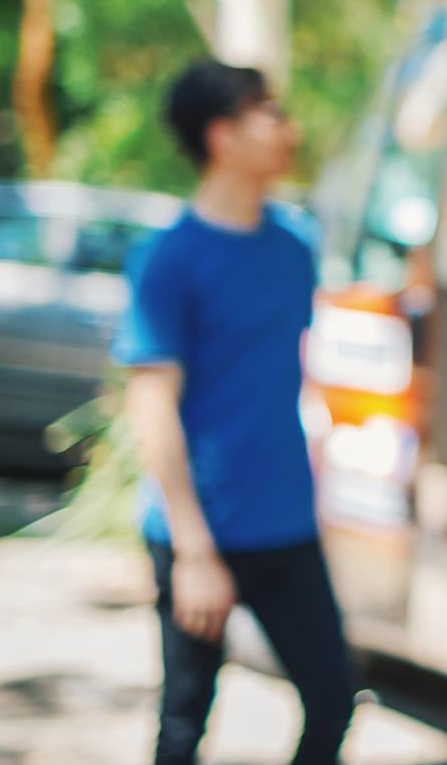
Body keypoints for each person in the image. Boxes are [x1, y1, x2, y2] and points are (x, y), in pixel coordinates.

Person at [116, 60, 356, 765]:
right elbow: (151, 406)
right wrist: (193, 552)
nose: (290, 128)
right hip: (199, 533)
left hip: (285, 524)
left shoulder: (293, 248)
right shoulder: (169, 258)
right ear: (222, 137)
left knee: (334, 700)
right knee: (185, 722)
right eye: (270, 113)